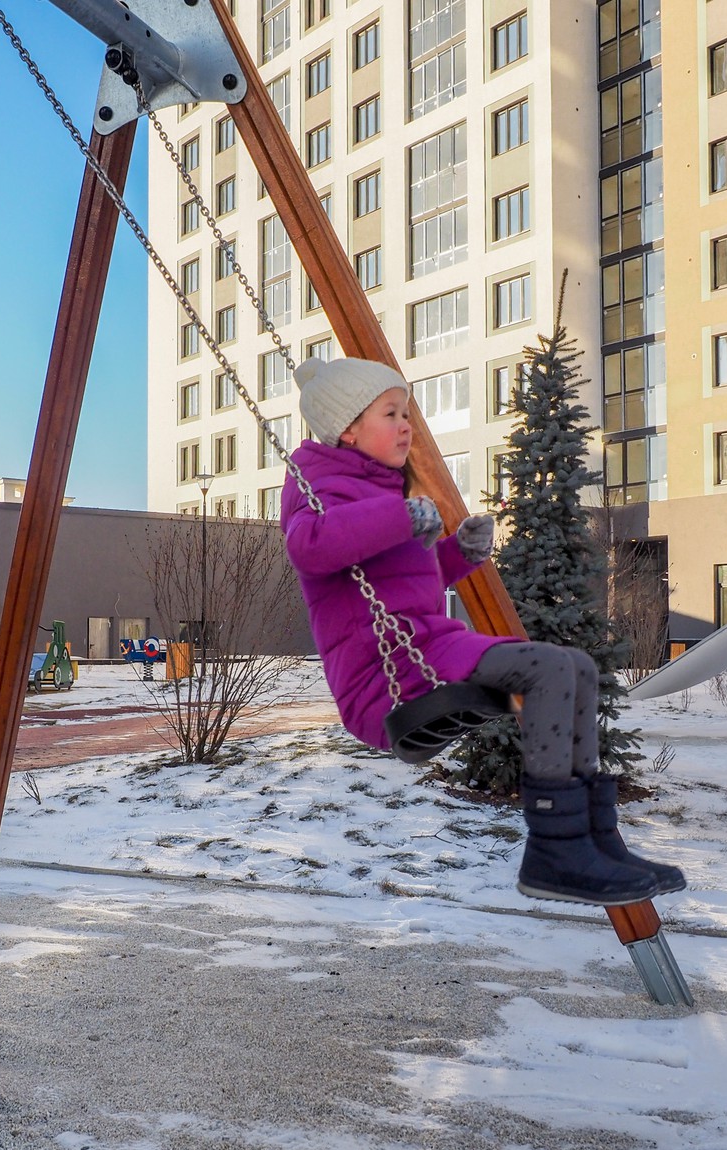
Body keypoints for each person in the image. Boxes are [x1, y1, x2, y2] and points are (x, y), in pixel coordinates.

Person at [280, 356, 684, 906]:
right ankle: (555, 853)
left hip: (427, 645)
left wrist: (457, 555)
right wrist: (404, 519)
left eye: (408, 414)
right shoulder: (316, 485)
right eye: (391, 413)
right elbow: (310, 547)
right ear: (348, 428)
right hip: (386, 675)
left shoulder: (385, 492)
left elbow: (404, 583)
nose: (407, 426)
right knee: (545, 670)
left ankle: (598, 840)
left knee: (578, 668)